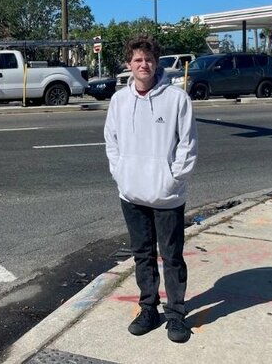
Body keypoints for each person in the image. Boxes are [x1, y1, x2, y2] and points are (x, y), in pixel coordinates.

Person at [104, 35, 198, 343]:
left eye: (148, 59)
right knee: (142, 255)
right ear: (129, 64)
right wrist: (121, 175)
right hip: (131, 194)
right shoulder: (119, 101)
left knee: (171, 256)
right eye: (137, 60)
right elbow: (112, 142)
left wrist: (173, 179)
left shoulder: (176, 99)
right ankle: (148, 309)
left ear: (156, 63)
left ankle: (176, 315)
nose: (143, 65)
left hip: (166, 195)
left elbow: (187, 144)